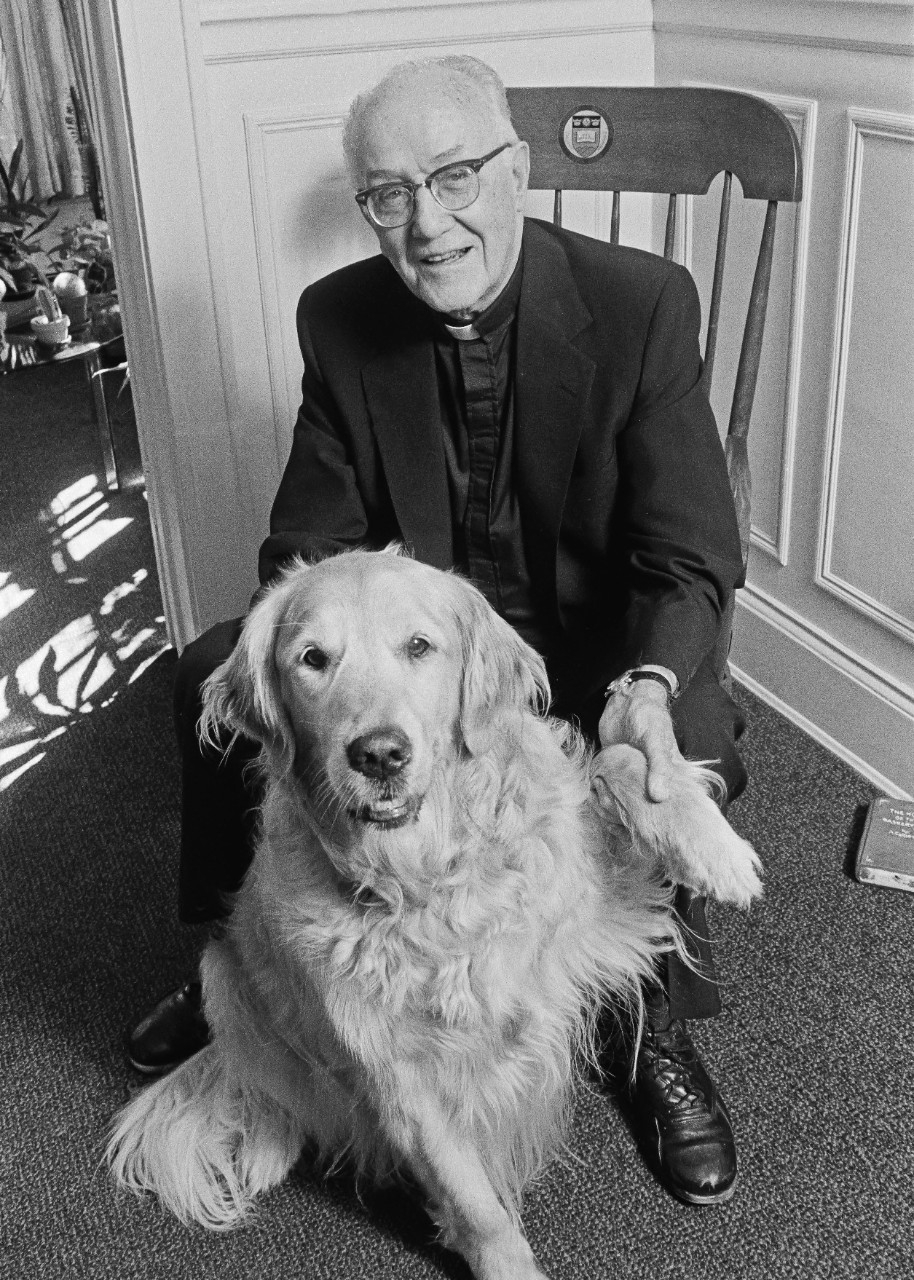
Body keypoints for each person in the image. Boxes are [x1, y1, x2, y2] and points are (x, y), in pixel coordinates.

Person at [128, 55, 748, 1208]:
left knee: (706, 720)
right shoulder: (340, 320)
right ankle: (238, 967)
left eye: (454, 175)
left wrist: (646, 686)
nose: (425, 221)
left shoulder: (641, 302)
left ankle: (648, 1021)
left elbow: (689, 554)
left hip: (592, 647)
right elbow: (301, 545)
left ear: (513, 171)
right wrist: (335, 640)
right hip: (414, 657)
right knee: (203, 671)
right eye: (387, 193)